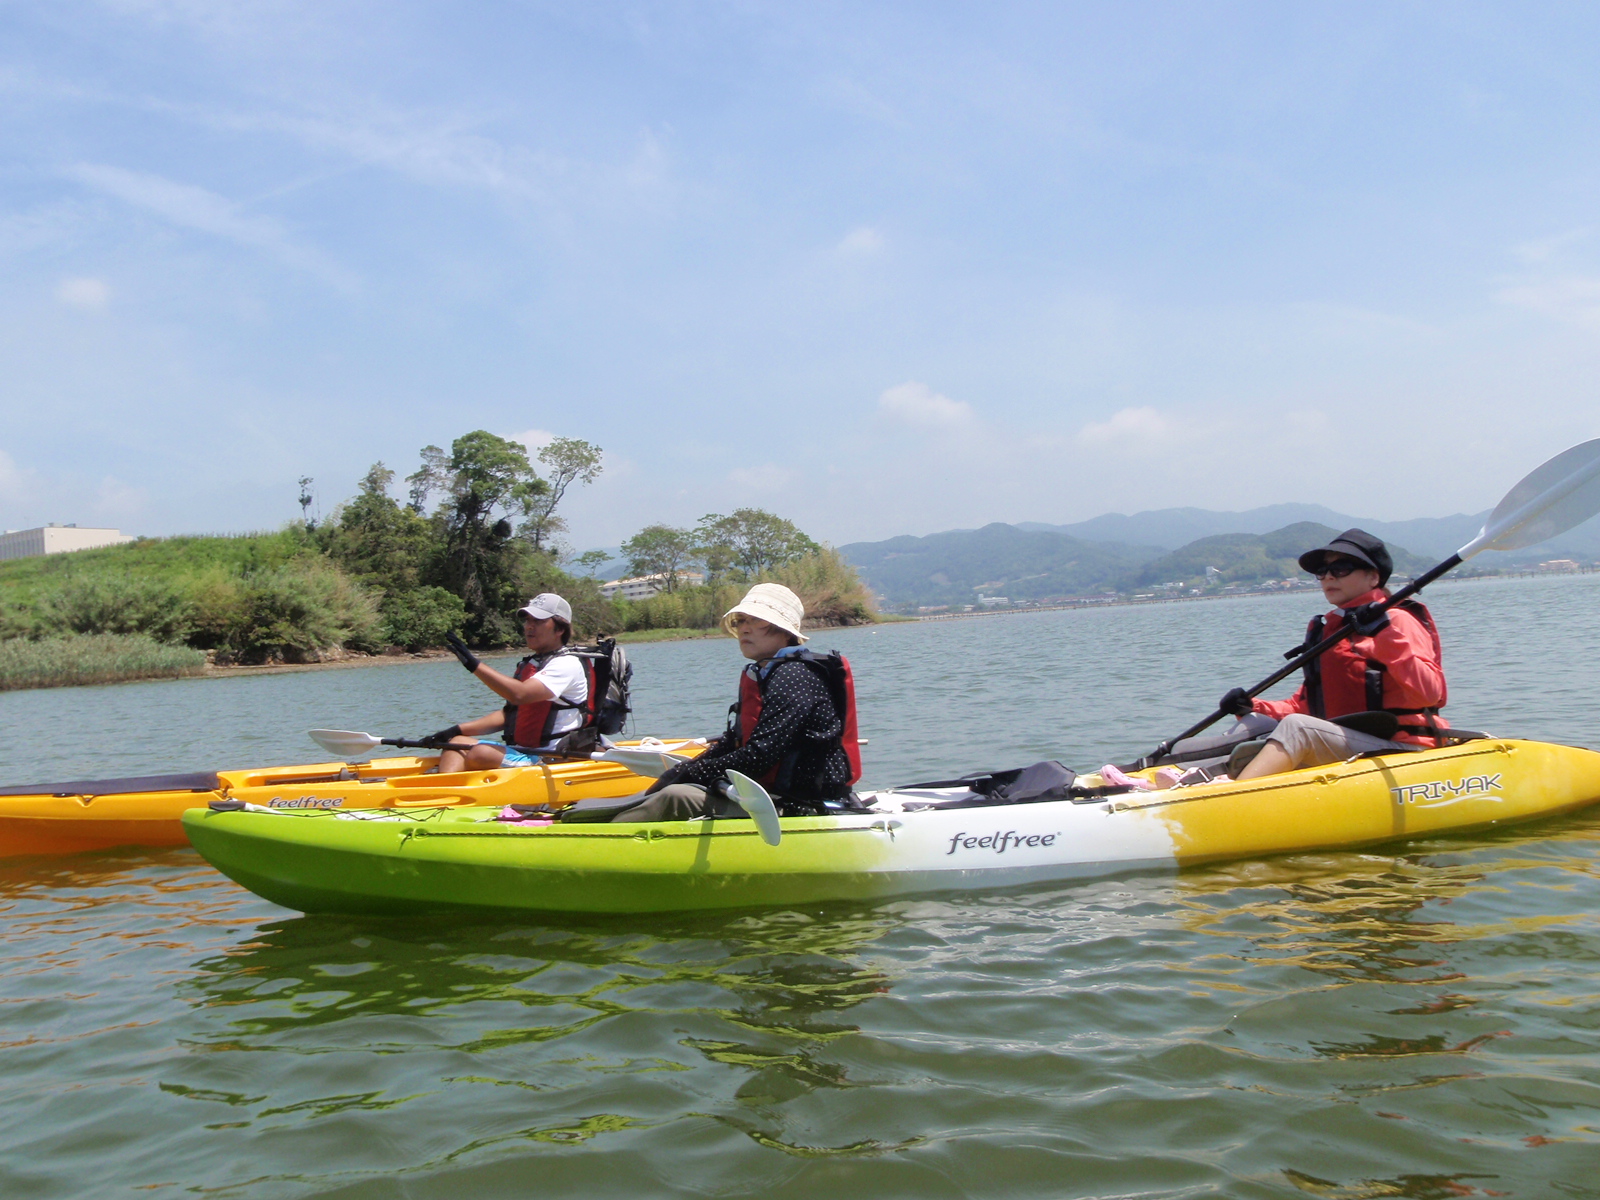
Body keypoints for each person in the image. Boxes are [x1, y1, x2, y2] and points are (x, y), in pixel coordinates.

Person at [599, 583, 861, 823]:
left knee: (677, 796)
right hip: (771, 797)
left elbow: (759, 756)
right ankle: (599, 823)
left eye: (756, 620)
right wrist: (685, 768)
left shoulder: (793, 675)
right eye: (741, 620)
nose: (744, 628)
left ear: (784, 630)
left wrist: (693, 775)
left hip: (801, 806)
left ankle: (600, 842)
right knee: (676, 784)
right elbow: (733, 742)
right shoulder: (769, 673)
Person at [1219, 529, 1449, 781]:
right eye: (1322, 571)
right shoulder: (1337, 629)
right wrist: (1254, 706)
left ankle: (1232, 795)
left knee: (1298, 728)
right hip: (1352, 743)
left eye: (1341, 568)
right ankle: (1191, 782)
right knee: (1255, 722)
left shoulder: (1396, 620)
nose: (1328, 576)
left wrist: (1385, 635)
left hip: (1404, 748)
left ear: (1373, 577)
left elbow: (1430, 693)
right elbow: (1304, 706)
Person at [428, 593, 592, 773]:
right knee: (456, 742)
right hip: (523, 751)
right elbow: (510, 714)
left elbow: (519, 694)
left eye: (538, 621)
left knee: (480, 753)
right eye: (528, 620)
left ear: (560, 629)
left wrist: (473, 664)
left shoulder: (566, 663)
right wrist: (454, 730)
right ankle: (446, 799)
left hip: (551, 757)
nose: (529, 626)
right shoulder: (534, 663)